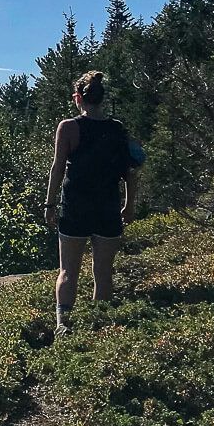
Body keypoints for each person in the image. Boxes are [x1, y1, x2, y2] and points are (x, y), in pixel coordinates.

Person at [45, 69, 138, 335]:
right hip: (108, 208)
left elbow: (57, 168)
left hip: (76, 208)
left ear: (78, 98)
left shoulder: (69, 127)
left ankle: (64, 325)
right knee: (103, 272)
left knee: (67, 271)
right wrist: (129, 205)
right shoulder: (117, 129)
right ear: (101, 98)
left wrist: (50, 205)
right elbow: (130, 172)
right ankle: (100, 328)